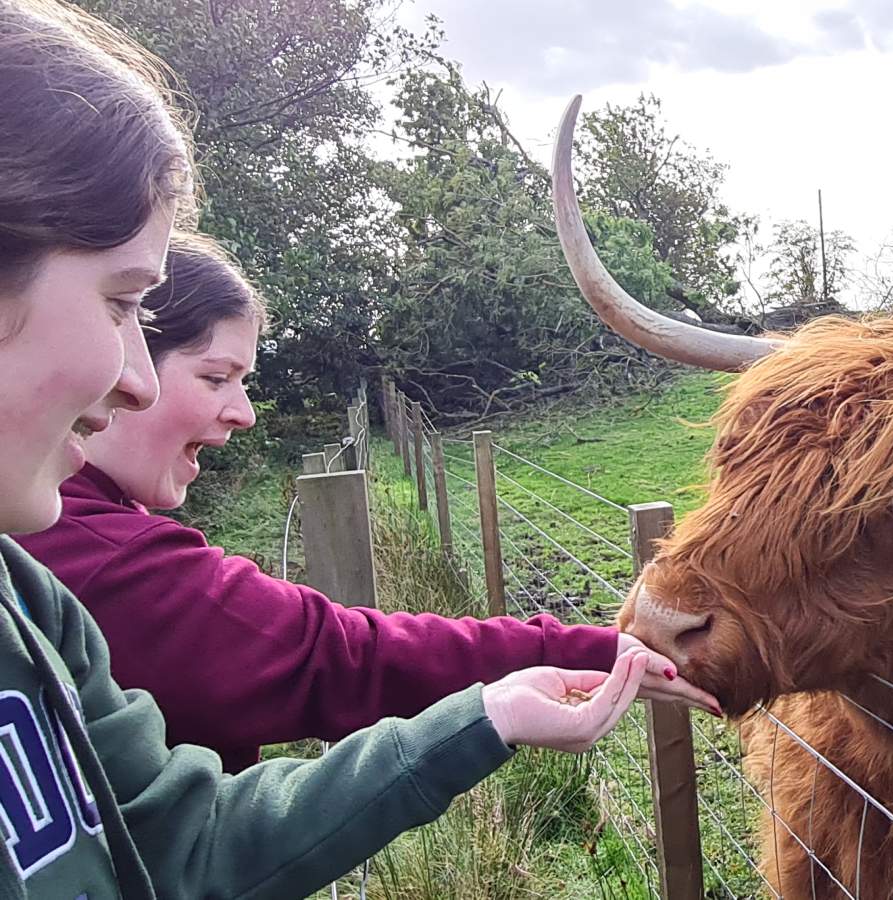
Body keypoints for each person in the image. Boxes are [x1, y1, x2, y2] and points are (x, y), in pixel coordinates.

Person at [0, 1, 690, 895]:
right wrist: (593, 651)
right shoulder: (84, 564)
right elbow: (331, 657)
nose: (132, 373)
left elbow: (187, 849)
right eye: (119, 303)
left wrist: (487, 715)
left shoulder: (32, 605)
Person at [17, 233, 719, 774]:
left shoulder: (85, 527)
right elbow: (339, 659)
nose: (245, 414)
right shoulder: (94, 557)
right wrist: (577, 657)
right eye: (215, 377)